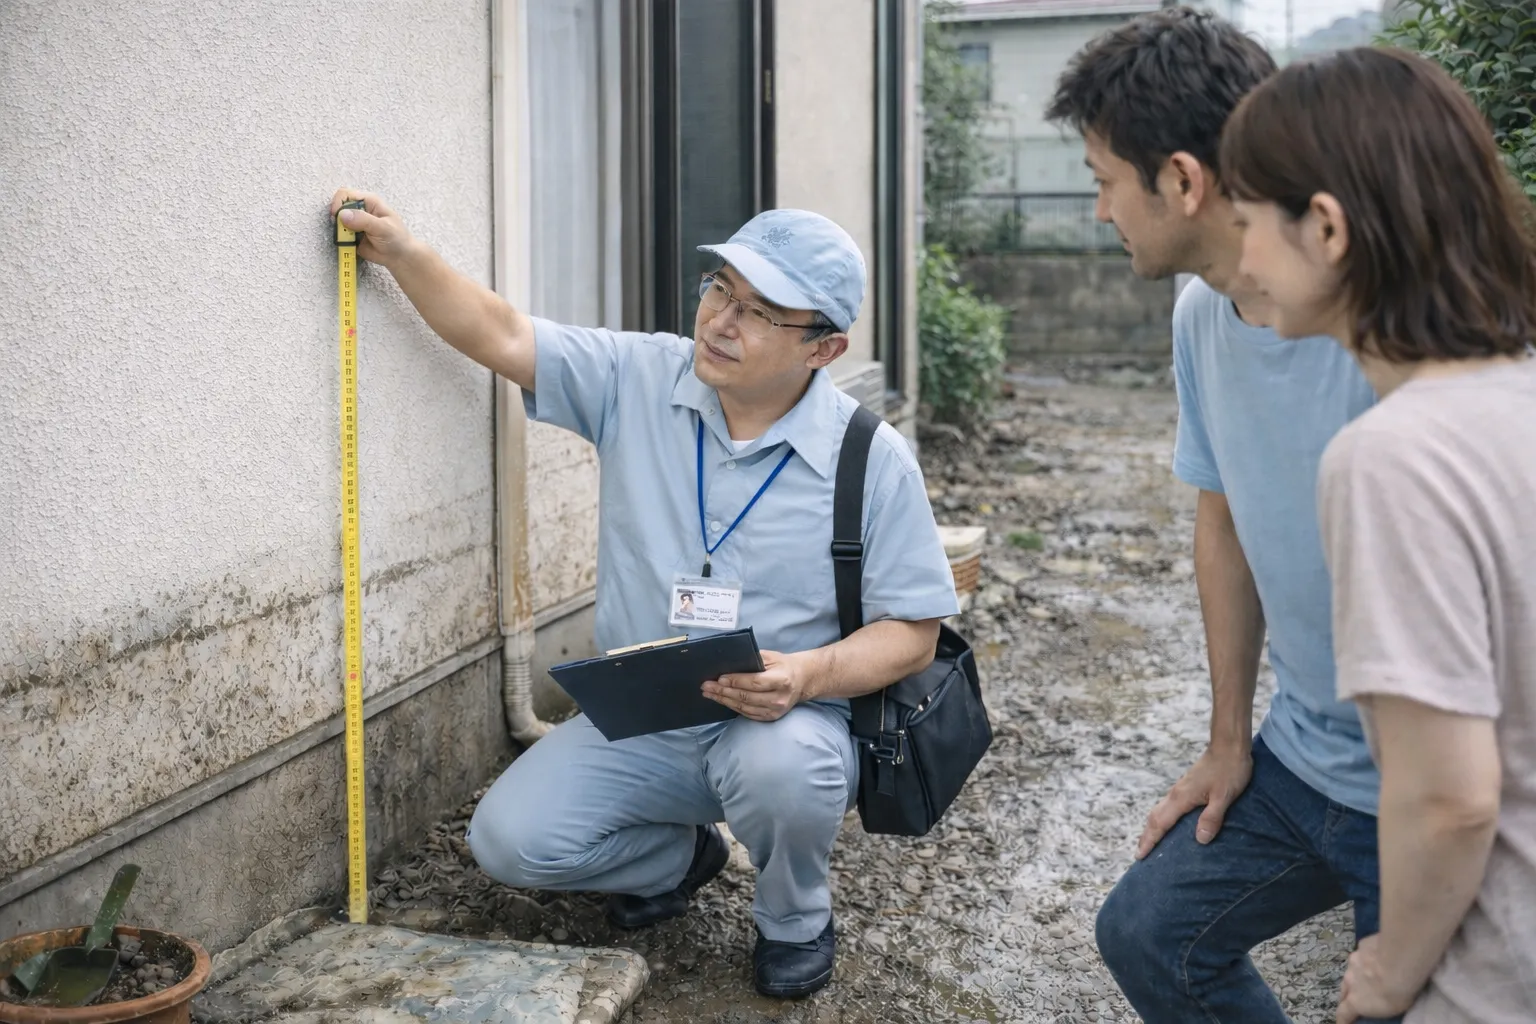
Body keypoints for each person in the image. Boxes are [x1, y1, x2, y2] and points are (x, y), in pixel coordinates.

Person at [325, 190, 959, 999]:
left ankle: (793, 916)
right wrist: (404, 254)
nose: (721, 320)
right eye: (719, 289)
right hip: (646, 722)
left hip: (784, 726)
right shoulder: (640, 377)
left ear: (824, 349)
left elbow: (914, 632)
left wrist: (803, 677)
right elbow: (505, 335)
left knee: (781, 769)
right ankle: (683, 856)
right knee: (508, 842)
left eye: (760, 312)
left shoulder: (871, 458)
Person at [1045, 8, 1386, 1021]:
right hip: (1301, 757)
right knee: (1149, 932)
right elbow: (1224, 521)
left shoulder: (1392, 335)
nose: (1102, 209)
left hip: (1429, 784)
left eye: (1107, 179)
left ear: (1184, 180)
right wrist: (1229, 736)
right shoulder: (1201, 314)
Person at [1219, 46, 1536, 1024]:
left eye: (1244, 224)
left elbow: (1449, 796)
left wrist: (1392, 972)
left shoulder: (1392, 459)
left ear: (1326, 228)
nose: (1236, 266)